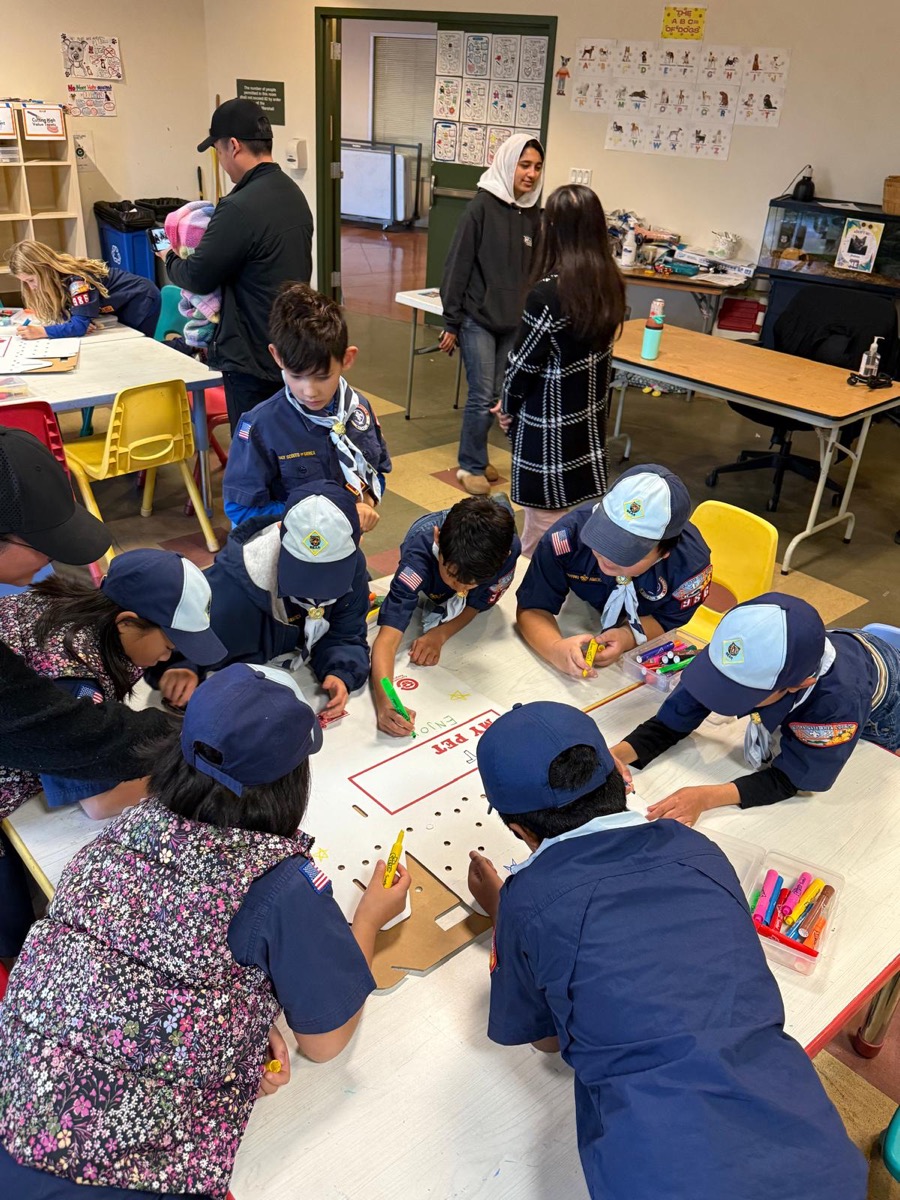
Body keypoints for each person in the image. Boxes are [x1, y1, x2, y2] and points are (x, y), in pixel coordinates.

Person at [0, 662, 410, 1199]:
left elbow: (144, 960)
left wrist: (232, 1018)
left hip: (17, 1104)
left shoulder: (133, 822)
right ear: (293, 784)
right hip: (117, 1175)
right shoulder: (281, 881)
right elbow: (327, 1043)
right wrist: (370, 920)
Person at [467, 700, 866, 1200]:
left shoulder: (525, 905)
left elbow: (545, 1043)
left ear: (517, 829)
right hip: (818, 1160)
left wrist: (508, 918)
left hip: (659, 1171)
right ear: (618, 772)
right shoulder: (698, 849)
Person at [611, 594, 900, 826]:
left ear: (799, 684)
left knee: (870, 766)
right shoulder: (737, 648)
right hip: (829, 650)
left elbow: (793, 779)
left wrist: (706, 797)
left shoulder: (837, 705)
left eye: (741, 693)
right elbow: (673, 719)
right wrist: (616, 755)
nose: (716, 694)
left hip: (885, 702)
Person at [0, 548, 226, 821]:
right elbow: (100, 804)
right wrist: (199, 779)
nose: (166, 657)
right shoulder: (72, 680)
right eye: (168, 646)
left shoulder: (79, 610)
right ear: (126, 623)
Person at [147, 484, 371, 722]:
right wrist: (183, 666)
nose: (315, 592)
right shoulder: (224, 591)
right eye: (303, 572)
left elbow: (346, 631)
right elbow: (169, 638)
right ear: (279, 535)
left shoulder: (354, 567)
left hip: (294, 686)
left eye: (330, 574)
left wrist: (341, 670)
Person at [161, 98, 314, 430]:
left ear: (233, 145)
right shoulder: (293, 195)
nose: (220, 161)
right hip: (290, 343)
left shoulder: (237, 207)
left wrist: (169, 257)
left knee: (253, 453)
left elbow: (197, 276)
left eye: (217, 150)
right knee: (288, 443)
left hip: (250, 354)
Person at [497, 184, 626, 556]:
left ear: (551, 229)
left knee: (541, 537)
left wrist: (507, 407)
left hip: (547, 431)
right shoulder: (609, 283)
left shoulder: (548, 293)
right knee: (572, 524)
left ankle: (533, 607)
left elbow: (522, 366)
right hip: (586, 426)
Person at [222, 283, 391, 531]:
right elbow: (239, 508)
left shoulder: (359, 410)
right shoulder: (260, 425)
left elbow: (378, 471)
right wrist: (325, 515)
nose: (310, 391)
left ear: (347, 358)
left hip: (345, 546)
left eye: (323, 377)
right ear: (277, 357)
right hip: (288, 552)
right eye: (296, 376)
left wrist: (367, 500)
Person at [516, 464, 711, 677]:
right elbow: (533, 606)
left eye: (626, 553)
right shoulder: (568, 537)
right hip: (581, 614)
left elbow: (665, 619)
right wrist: (554, 648)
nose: (606, 556)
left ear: (664, 553)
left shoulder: (689, 568)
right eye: (601, 538)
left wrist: (628, 636)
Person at [440, 133, 544, 495]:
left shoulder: (533, 214)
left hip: (513, 321)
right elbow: (457, 265)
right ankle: (469, 466)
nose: (530, 174)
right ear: (507, 163)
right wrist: (450, 320)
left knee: (500, 393)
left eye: (537, 167)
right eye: (524, 164)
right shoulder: (480, 208)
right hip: (477, 319)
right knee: (482, 394)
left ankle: (479, 456)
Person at [371, 497, 519, 737]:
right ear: (438, 539)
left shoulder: (506, 552)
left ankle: (499, 503)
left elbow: (478, 603)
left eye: (474, 582)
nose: (462, 586)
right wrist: (385, 701)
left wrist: (441, 634)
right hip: (438, 539)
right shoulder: (418, 557)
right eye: (452, 575)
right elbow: (388, 637)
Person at [8, 240, 160, 339]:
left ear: (44, 269)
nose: (31, 287)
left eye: (31, 280)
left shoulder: (77, 281)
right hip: (119, 302)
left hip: (140, 297)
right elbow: (74, 318)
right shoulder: (57, 279)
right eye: (25, 282)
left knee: (136, 342)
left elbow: (79, 326)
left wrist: (42, 332)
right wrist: (77, 323)